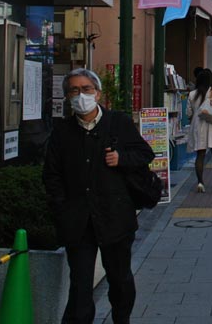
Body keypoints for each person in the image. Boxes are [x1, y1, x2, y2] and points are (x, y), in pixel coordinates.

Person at [43, 68, 155, 324]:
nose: (81, 95)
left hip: (115, 216)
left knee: (120, 279)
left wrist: (122, 158)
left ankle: (121, 319)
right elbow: (52, 175)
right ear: (67, 97)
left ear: (98, 93)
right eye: (74, 90)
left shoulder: (118, 122)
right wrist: (61, 209)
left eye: (86, 89)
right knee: (80, 285)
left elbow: (145, 154)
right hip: (78, 221)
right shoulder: (62, 131)